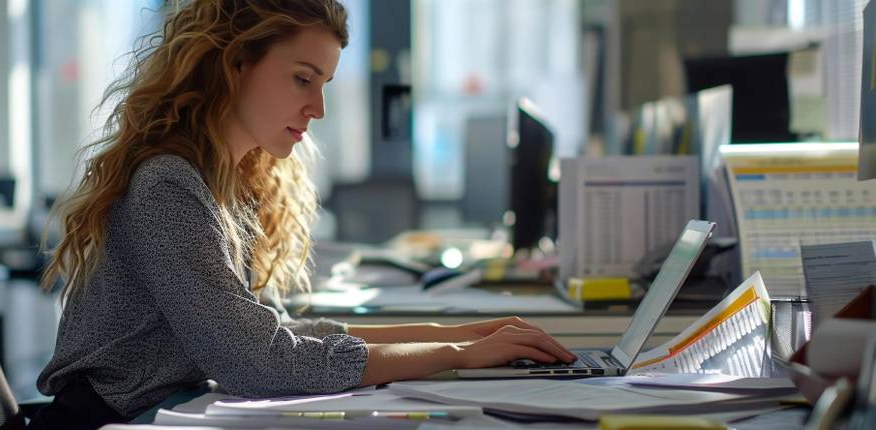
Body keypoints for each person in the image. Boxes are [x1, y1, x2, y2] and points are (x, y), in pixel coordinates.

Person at [30, 0, 576, 428]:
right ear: (236, 62)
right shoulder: (167, 186)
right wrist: (451, 351)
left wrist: (455, 335)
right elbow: (261, 361)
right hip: (110, 422)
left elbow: (271, 335)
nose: (318, 107)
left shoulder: (224, 182)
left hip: (161, 412)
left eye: (324, 84)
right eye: (302, 78)